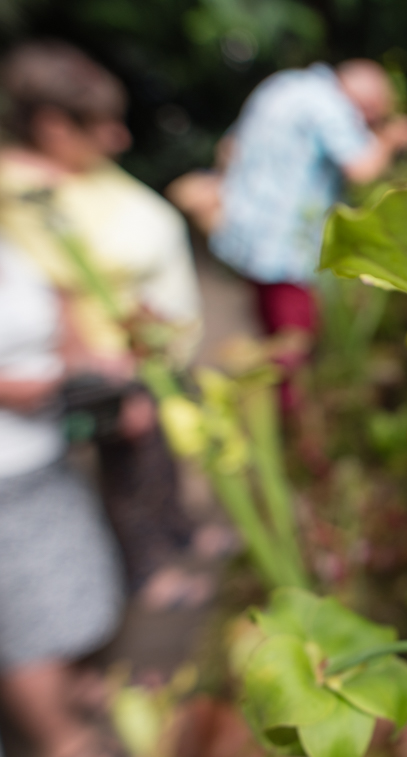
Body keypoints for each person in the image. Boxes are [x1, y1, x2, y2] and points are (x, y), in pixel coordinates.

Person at [0, 40, 202, 592]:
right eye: (102, 125)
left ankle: (180, 535)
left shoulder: (76, 173)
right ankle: (153, 572)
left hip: (147, 349)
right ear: (53, 127)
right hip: (110, 359)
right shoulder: (22, 190)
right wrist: (102, 373)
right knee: (132, 466)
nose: (120, 137)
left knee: (161, 455)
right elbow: (51, 289)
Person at [207, 59, 407, 410]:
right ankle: (291, 437)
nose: (365, 124)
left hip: (249, 235)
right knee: (294, 349)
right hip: (286, 246)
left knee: (273, 336)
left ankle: (278, 421)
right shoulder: (328, 104)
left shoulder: (282, 84)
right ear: (365, 103)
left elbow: (228, 148)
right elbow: (363, 168)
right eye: (370, 116)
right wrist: (390, 138)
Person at [0, 237, 124, 757]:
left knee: (68, 575)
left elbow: (55, 306)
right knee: (23, 612)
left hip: (46, 455)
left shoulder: (11, 244)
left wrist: (86, 365)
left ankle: (73, 689)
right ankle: (58, 738)